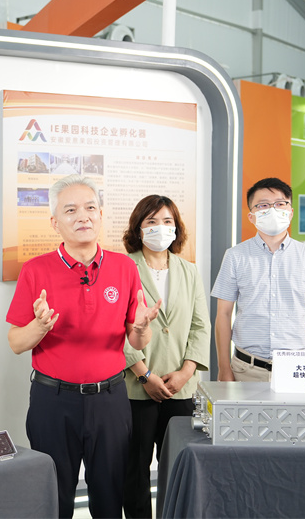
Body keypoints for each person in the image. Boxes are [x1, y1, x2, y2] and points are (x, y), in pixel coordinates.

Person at [6, 175, 161, 519]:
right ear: (54, 222)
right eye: (71, 210)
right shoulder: (35, 270)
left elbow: (137, 339)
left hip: (110, 401)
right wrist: (39, 326)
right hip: (53, 401)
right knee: (54, 496)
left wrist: (140, 329)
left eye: (91, 208)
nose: (83, 217)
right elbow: (16, 343)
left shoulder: (124, 267)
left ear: (101, 215)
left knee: (109, 496)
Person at [120, 195, 210, 519]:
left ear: (177, 227)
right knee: (135, 469)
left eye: (167, 221)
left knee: (178, 467)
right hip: (136, 387)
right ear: (139, 228)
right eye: (152, 222)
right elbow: (116, 327)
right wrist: (144, 374)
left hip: (180, 388)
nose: (161, 228)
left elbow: (200, 325)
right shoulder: (123, 268)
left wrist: (186, 372)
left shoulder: (189, 270)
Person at [211, 177, 305, 381]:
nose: (272, 210)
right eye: (263, 205)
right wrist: (224, 368)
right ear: (251, 216)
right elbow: (223, 315)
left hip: (298, 368)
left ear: (290, 212)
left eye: (280, 204)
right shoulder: (235, 256)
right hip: (246, 369)